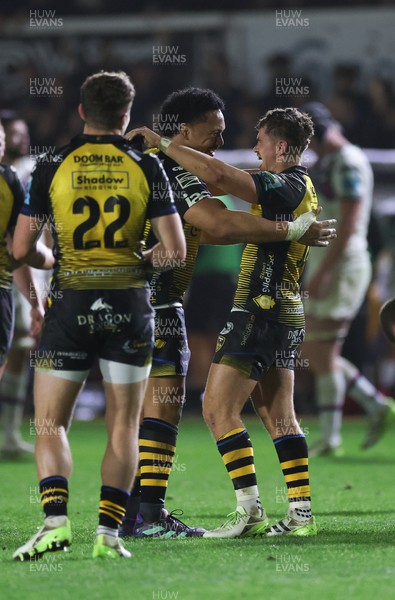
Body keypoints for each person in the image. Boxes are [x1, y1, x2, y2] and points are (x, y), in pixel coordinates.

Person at [126, 106, 330, 538]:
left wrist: (165, 145)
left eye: (258, 141)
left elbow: (221, 182)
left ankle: (249, 510)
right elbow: (218, 224)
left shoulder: (287, 182)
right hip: (285, 312)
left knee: (217, 410)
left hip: (258, 310)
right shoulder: (301, 188)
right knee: (281, 417)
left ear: (278, 145)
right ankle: (300, 516)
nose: (250, 148)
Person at [12, 71, 186, 561]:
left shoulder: (53, 163)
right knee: (124, 426)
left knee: (50, 424)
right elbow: (173, 251)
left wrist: (57, 260)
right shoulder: (146, 164)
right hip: (131, 305)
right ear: (127, 115)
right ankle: (108, 536)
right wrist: (135, 262)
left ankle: (55, 523)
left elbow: (23, 248)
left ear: (82, 110)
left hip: (71, 303)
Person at [300, 102, 395, 456]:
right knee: (316, 349)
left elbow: (352, 223)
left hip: (343, 265)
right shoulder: (333, 161)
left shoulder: (348, 162)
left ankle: (333, 435)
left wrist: (324, 272)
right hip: (330, 263)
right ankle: (372, 407)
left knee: (322, 351)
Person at [0, 111, 38, 457]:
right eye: (14, 132)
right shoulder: (14, 176)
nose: (20, 138)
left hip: (18, 273)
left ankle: (8, 434)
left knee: (20, 346)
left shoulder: (24, 173)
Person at [0, 120, 44, 385]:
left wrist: (35, 302)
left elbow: (19, 251)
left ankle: (12, 425)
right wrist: (54, 258)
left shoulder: (10, 179)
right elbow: (21, 250)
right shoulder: (9, 179)